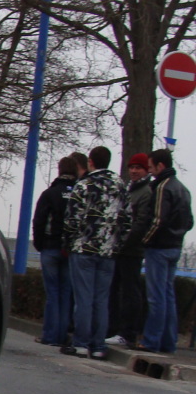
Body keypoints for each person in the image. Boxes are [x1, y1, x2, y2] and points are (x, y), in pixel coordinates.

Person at [61, 145, 131, 360]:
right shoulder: (121, 186)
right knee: (101, 299)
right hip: (108, 251)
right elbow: (127, 221)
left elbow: (72, 218)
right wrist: (116, 245)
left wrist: (69, 241)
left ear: (91, 162)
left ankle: (81, 343)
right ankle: (98, 345)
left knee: (84, 298)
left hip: (83, 248)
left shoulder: (84, 185)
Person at [130, 147, 193, 354]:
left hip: (159, 247)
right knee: (167, 295)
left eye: (150, 167)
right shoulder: (183, 189)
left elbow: (158, 220)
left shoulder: (162, 188)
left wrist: (146, 240)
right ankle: (168, 340)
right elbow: (189, 221)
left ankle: (151, 340)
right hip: (175, 247)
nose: (150, 171)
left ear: (160, 166)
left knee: (155, 296)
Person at [105, 153, 152, 347]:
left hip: (131, 251)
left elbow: (140, 223)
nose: (133, 171)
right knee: (115, 290)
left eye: (138, 168)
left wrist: (124, 241)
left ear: (146, 170)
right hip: (121, 249)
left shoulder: (146, 193)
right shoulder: (129, 189)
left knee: (130, 291)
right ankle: (114, 329)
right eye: (131, 167)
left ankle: (128, 332)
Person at [32, 156, 78, 346]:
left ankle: (50, 335)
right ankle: (63, 335)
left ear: (59, 170)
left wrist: (40, 243)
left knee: (52, 293)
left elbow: (39, 220)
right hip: (71, 249)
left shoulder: (49, 194)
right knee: (66, 292)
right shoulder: (79, 192)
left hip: (51, 247)